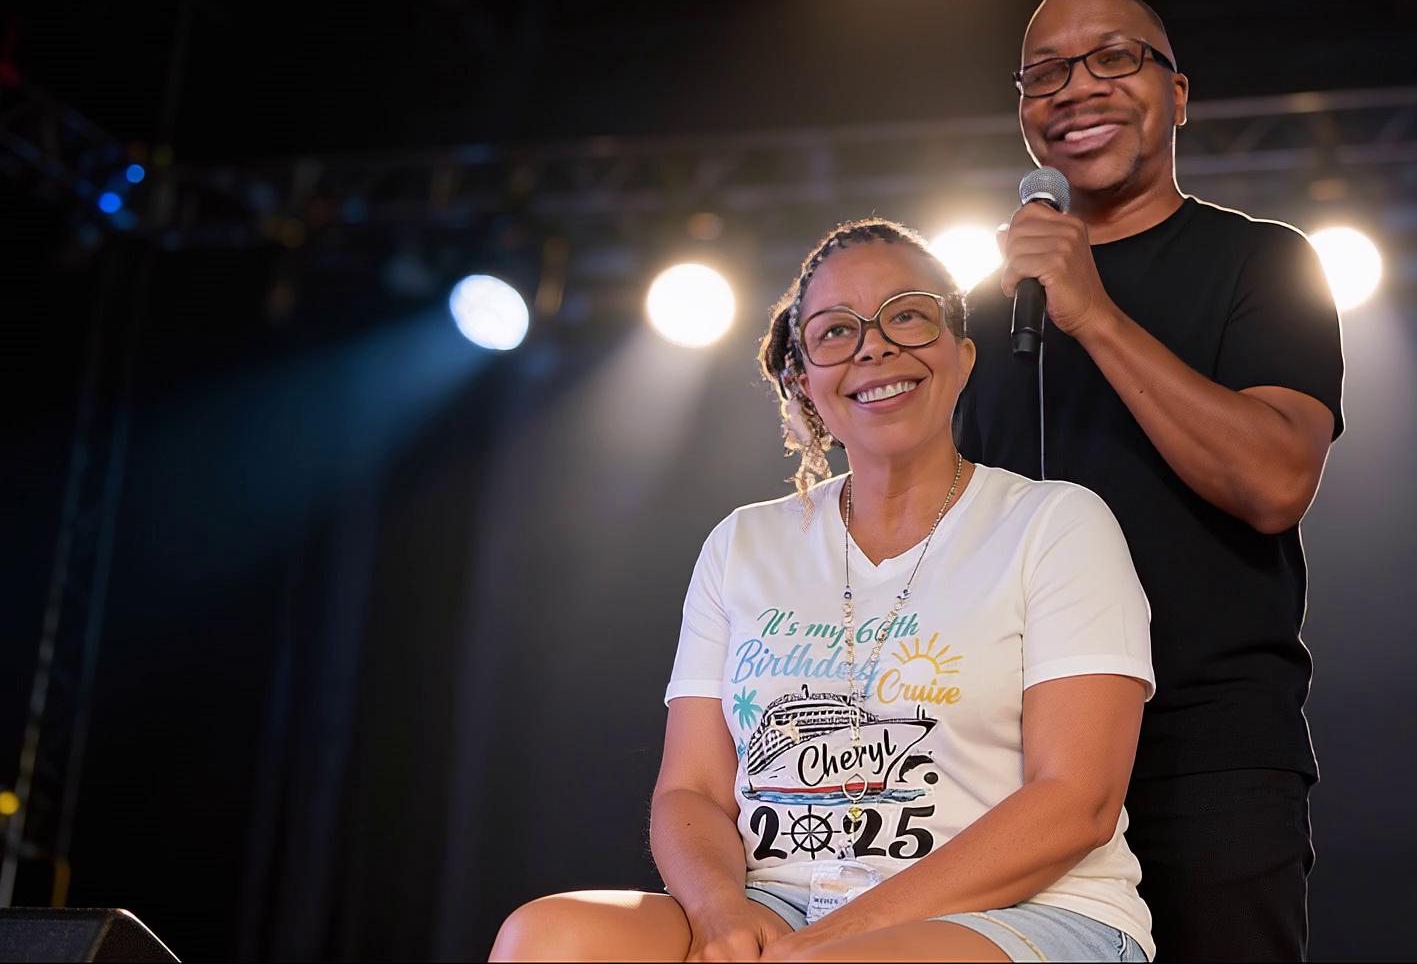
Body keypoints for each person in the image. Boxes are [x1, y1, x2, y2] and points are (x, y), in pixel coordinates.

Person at [491, 219, 1157, 962]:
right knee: (547, 938)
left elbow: (1078, 804)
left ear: (962, 358)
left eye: (908, 315)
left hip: (1022, 910)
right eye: (836, 331)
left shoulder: (1055, 524)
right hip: (777, 903)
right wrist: (719, 913)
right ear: (803, 377)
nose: (874, 346)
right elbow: (694, 793)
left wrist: (829, 941)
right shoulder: (744, 543)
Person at [957, 0, 1345, 961]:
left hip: (1204, 753)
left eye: (1114, 59)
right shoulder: (980, 310)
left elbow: (1273, 482)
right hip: (1006, 767)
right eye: (1046, 73)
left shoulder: (1264, 263)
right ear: (1024, 117)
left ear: (1179, 94)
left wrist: (1093, 313)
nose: (1076, 88)